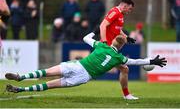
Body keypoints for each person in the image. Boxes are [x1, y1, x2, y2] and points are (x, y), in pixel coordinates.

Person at [5, 32, 167, 93]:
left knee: (46, 72)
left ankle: (21, 77)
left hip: (78, 65)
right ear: (123, 45)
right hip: (83, 76)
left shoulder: (101, 45)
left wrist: (96, 30)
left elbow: (85, 38)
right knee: (50, 85)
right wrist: (152, 60)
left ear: (112, 41)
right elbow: (135, 61)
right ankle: (21, 89)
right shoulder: (119, 58)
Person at [99, 0, 140, 100]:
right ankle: (126, 95)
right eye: (129, 9)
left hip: (110, 49)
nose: (129, 11)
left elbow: (118, 30)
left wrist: (127, 37)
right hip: (106, 48)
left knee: (124, 69)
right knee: (124, 69)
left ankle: (126, 95)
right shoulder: (115, 12)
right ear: (124, 6)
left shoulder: (121, 15)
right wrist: (104, 42)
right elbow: (102, 25)